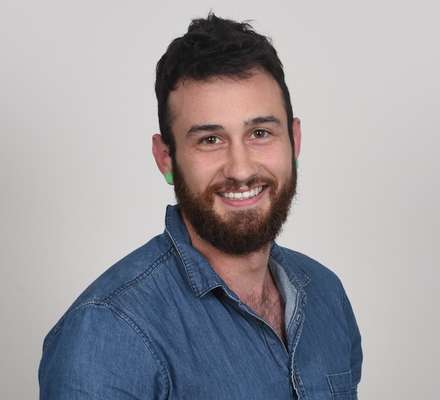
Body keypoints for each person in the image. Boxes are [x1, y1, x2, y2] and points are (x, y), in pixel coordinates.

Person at [39, 13, 362, 399]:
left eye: (260, 133)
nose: (241, 169)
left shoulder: (326, 294)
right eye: (210, 140)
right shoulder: (107, 333)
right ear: (166, 158)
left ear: (293, 140)